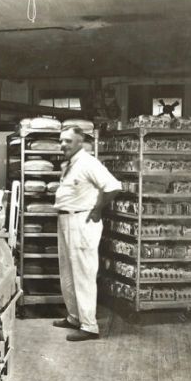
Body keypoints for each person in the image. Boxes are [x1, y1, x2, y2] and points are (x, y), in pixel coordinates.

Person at [53, 126, 121, 341]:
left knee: (83, 273)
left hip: (81, 221)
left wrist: (98, 208)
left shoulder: (89, 163)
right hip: (66, 220)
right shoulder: (70, 164)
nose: (63, 145)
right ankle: (75, 317)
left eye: (68, 141)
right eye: (61, 141)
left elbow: (113, 186)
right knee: (67, 272)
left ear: (80, 142)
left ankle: (89, 326)